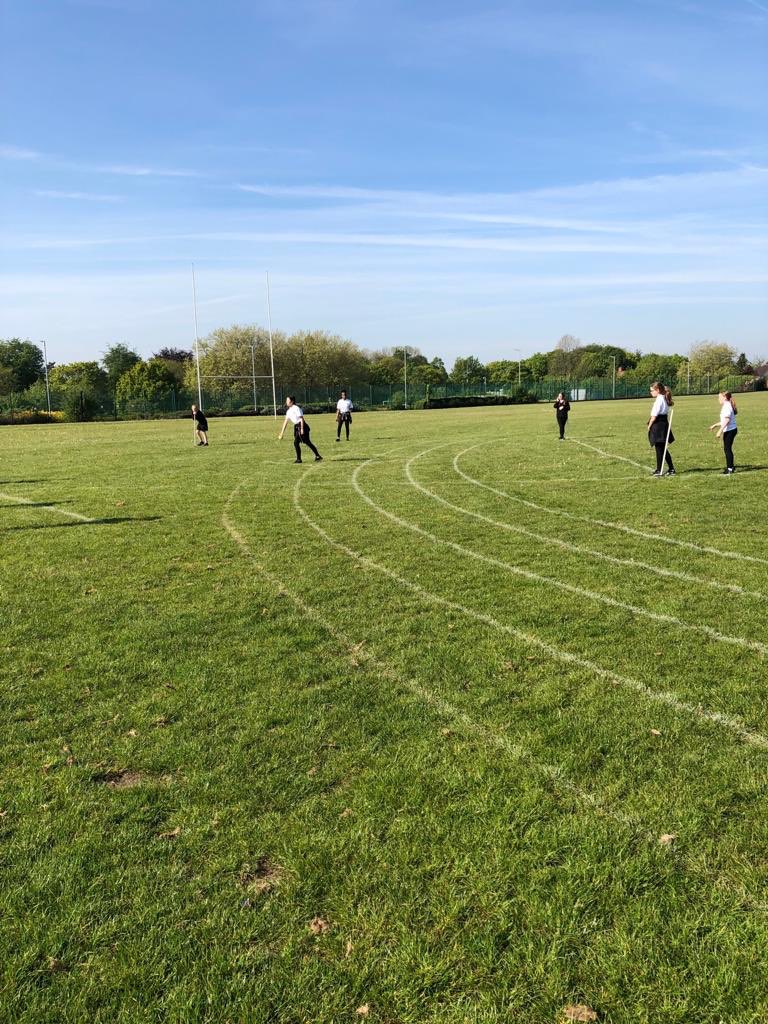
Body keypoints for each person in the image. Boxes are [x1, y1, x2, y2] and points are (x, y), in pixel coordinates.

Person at [278, 396, 322, 464]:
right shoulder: (288, 411)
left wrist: (302, 429)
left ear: (292, 401)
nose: (286, 402)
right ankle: (317, 456)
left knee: (301, 442)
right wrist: (281, 433)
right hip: (296, 427)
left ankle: (299, 459)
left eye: (288, 401)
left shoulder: (296, 408)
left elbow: (301, 419)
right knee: (304, 442)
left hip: (302, 426)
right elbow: (285, 422)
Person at [647, 382, 675, 476]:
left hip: (658, 425)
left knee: (659, 449)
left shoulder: (659, 400)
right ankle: (671, 469)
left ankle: (660, 470)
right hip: (663, 423)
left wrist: (649, 425)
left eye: (652, 390)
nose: (651, 392)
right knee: (662, 448)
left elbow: (654, 416)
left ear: (657, 390)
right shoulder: (663, 398)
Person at [709, 391, 738, 474]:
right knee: (727, 449)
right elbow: (724, 420)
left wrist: (719, 431)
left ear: (724, 398)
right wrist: (715, 425)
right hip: (730, 430)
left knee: (727, 449)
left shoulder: (727, 406)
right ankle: (730, 467)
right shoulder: (726, 405)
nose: (718, 399)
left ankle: (730, 469)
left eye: (719, 397)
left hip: (730, 430)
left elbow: (727, 420)